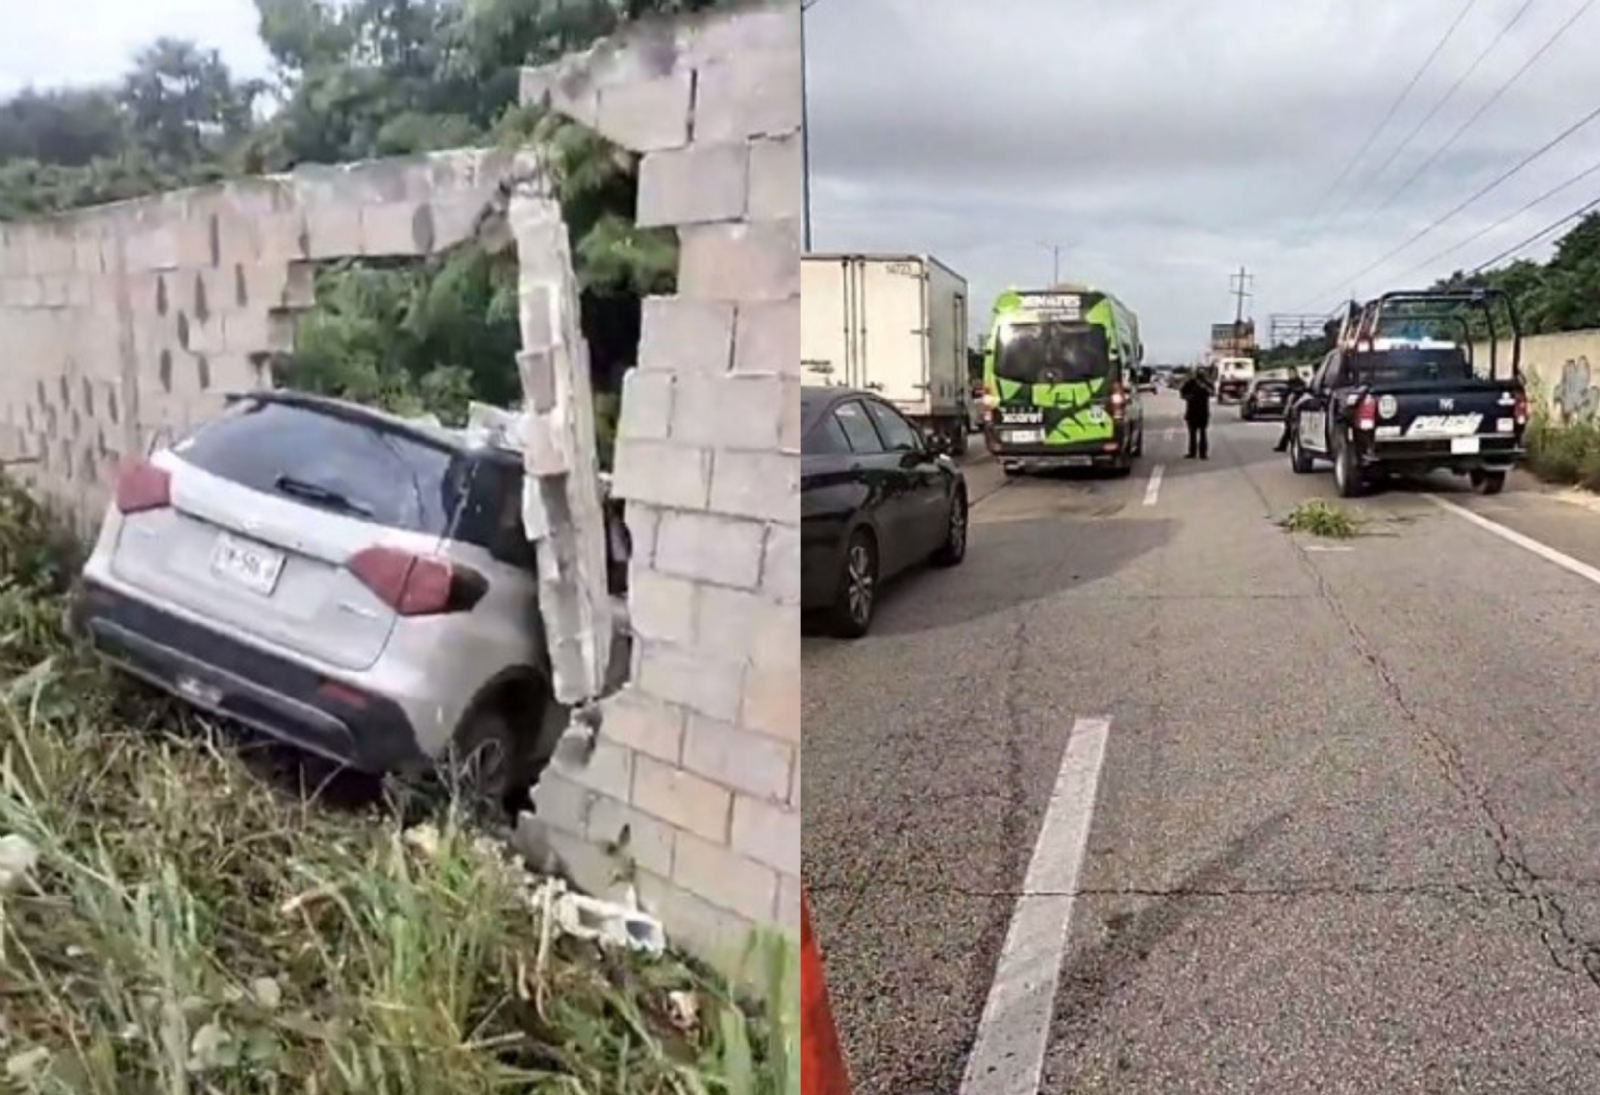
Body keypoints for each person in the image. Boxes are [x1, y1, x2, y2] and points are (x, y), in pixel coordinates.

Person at [1179, 370, 1214, 459]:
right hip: (1192, 411)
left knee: (1202, 433)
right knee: (1192, 434)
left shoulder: (1206, 383)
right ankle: (1192, 452)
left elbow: (1212, 393)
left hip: (1203, 411)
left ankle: (1203, 453)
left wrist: (1204, 387)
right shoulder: (1190, 383)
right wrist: (1189, 397)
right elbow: (1182, 393)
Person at [1272, 375, 1310, 453]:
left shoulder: (1303, 395)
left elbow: (1296, 405)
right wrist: (1285, 414)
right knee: (1288, 431)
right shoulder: (1292, 395)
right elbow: (1288, 405)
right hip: (1291, 415)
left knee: (1292, 432)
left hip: (1297, 416)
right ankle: (1284, 446)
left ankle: (1290, 447)